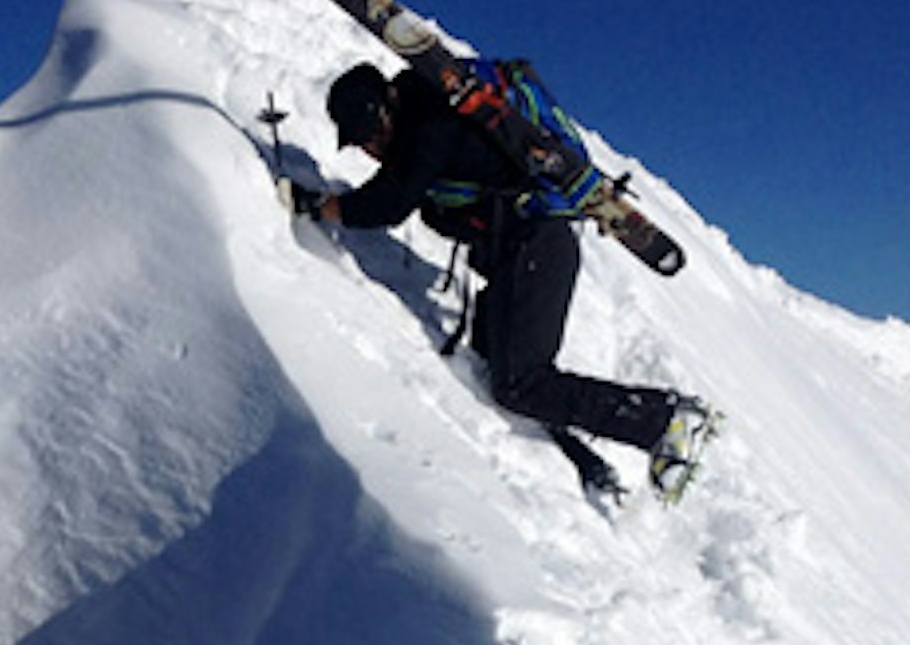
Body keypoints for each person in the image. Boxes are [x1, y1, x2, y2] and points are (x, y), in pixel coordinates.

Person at [285, 62, 711, 497]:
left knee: (519, 383)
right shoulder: (429, 120)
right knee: (493, 363)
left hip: (536, 247)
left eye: (371, 135)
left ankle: (663, 420)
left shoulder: (430, 126)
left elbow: (386, 204)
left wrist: (318, 206)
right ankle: (567, 451)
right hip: (523, 252)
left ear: (388, 106)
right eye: (360, 143)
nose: (371, 149)